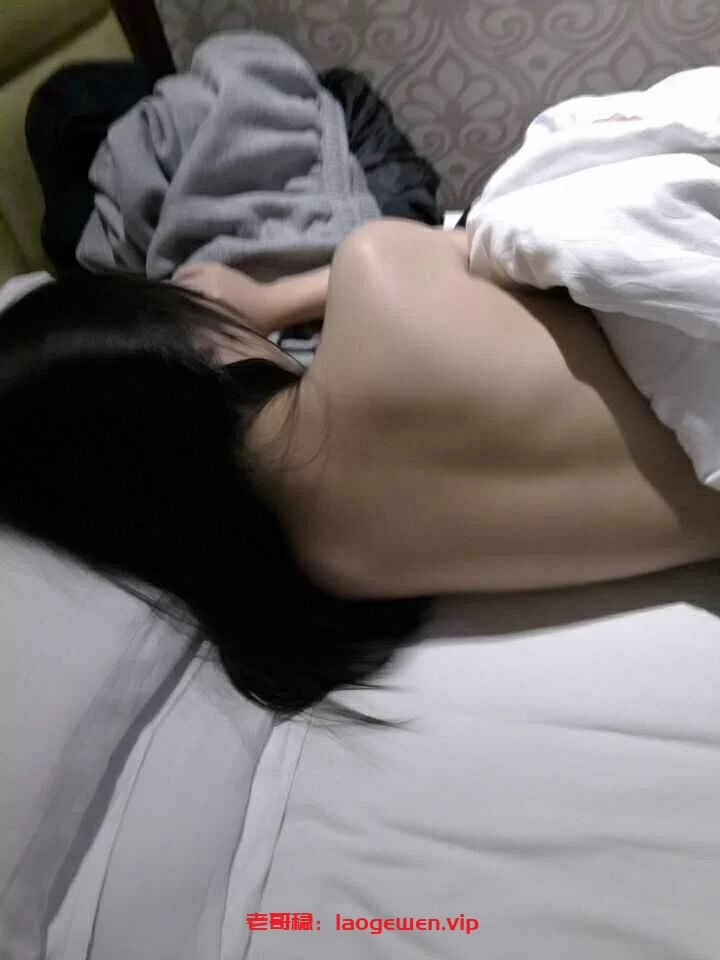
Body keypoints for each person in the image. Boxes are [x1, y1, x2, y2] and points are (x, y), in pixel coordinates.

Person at [1, 220, 719, 714]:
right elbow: (521, 236)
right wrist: (272, 299)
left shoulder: (339, 568)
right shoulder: (376, 271)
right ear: (191, 344)